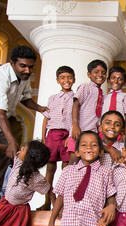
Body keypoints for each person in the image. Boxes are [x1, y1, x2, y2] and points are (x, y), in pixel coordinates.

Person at [0, 45, 48, 209]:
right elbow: (0, 112)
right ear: (12, 63)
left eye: (30, 66)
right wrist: (11, 140)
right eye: (23, 66)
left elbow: (24, 98)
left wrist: (40, 108)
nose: (27, 70)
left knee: (7, 153)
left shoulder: (23, 77)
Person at [38, 65, 75, 211]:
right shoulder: (52, 98)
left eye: (69, 77)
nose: (66, 80)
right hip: (52, 135)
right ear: (57, 80)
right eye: (63, 78)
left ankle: (63, 204)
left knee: (66, 169)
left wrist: (71, 136)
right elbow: (46, 119)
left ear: (74, 80)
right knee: (50, 169)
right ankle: (47, 201)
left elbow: (76, 119)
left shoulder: (76, 98)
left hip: (67, 135)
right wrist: (43, 138)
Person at [69, 59, 108, 164]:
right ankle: (68, 179)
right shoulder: (86, 87)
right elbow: (76, 104)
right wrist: (75, 125)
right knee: (74, 160)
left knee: (89, 162)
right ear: (89, 74)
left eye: (103, 73)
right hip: (80, 130)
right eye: (96, 72)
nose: (100, 75)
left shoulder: (101, 92)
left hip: (92, 132)